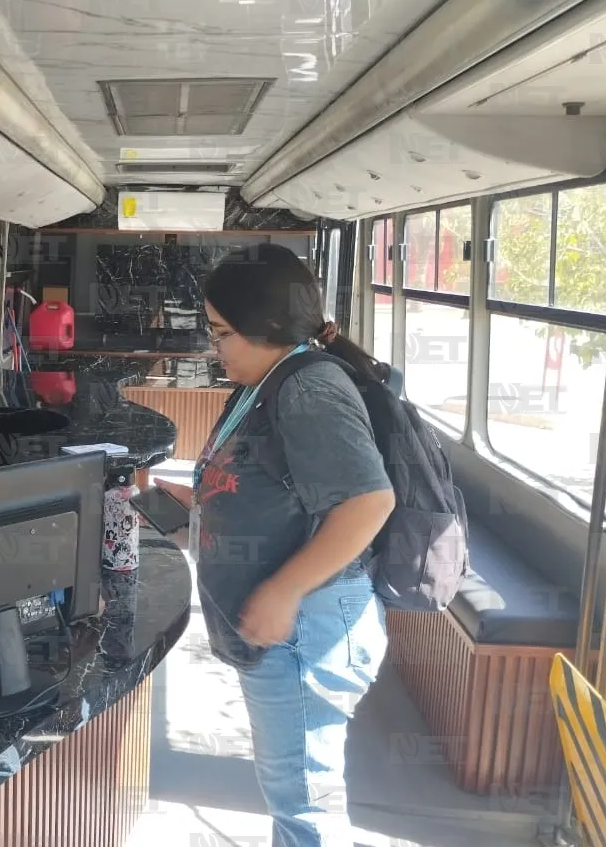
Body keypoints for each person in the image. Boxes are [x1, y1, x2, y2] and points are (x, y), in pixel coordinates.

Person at [154, 244, 395, 847]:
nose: (215, 348)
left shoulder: (309, 389)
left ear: (266, 328)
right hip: (289, 629)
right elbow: (257, 490)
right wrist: (182, 511)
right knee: (292, 792)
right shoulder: (264, 383)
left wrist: (282, 591)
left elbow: (368, 502)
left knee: (306, 805)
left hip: (308, 629)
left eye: (222, 333)